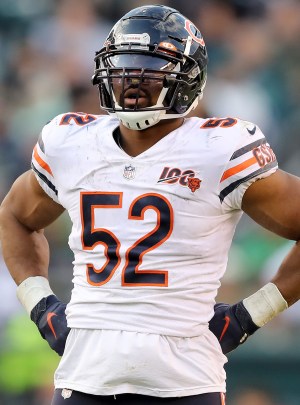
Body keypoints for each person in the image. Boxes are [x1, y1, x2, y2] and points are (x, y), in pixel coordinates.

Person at [0, 4, 300, 405]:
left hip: (186, 380)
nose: (132, 79)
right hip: (85, 376)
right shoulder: (70, 142)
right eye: (123, 65)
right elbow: (14, 216)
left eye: (150, 67)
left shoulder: (218, 149)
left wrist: (251, 315)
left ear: (188, 77)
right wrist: (41, 306)